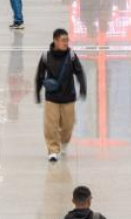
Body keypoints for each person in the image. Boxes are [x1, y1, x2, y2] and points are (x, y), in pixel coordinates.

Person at [35, 28, 87, 163]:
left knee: (68, 125)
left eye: (67, 40)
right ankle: (53, 150)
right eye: (63, 40)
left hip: (68, 97)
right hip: (52, 98)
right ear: (55, 41)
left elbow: (79, 72)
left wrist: (83, 87)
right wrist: (37, 92)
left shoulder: (71, 55)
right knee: (50, 126)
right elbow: (40, 76)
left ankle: (64, 143)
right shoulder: (46, 56)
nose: (66, 43)